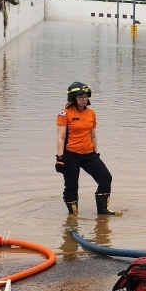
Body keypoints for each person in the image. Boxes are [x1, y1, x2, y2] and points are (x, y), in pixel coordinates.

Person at [55, 81, 119, 216]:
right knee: (72, 186)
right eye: (81, 97)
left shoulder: (91, 113)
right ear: (73, 99)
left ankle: (103, 210)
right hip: (71, 154)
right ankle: (72, 216)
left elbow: (93, 135)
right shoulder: (64, 114)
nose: (84, 100)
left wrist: (96, 152)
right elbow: (60, 137)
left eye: (86, 97)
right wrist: (60, 158)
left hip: (89, 154)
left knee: (105, 178)